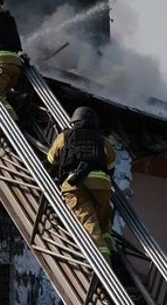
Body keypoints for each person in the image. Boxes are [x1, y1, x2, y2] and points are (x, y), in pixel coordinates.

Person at [47, 106, 117, 261]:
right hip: (102, 188)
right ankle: (112, 249)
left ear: (75, 121)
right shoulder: (103, 140)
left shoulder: (65, 136)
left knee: (90, 225)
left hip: (77, 188)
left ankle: (104, 263)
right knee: (103, 221)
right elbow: (111, 166)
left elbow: (51, 159)